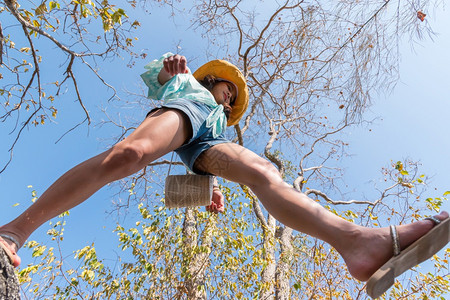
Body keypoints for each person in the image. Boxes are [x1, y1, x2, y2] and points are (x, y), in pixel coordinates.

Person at [0, 53, 448, 298]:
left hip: (205, 143)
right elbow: (156, 76)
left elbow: (200, 157)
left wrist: (208, 187)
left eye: (233, 94)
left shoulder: (221, 120)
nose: (229, 93)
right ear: (210, 79)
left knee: (262, 170)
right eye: (225, 86)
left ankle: (358, 243)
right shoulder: (186, 84)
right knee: (129, 155)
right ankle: (15, 231)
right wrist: (170, 70)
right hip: (181, 113)